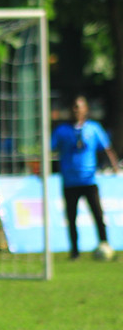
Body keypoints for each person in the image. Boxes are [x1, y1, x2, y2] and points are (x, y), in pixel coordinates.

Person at [51, 95, 120, 260]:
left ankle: (105, 245)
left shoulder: (93, 128)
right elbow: (50, 148)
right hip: (70, 181)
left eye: (79, 106)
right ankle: (74, 252)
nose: (76, 110)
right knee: (71, 218)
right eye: (74, 106)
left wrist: (115, 166)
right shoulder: (62, 131)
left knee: (98, 215)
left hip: (89, 180)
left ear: (86, 109)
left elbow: (106, 148)